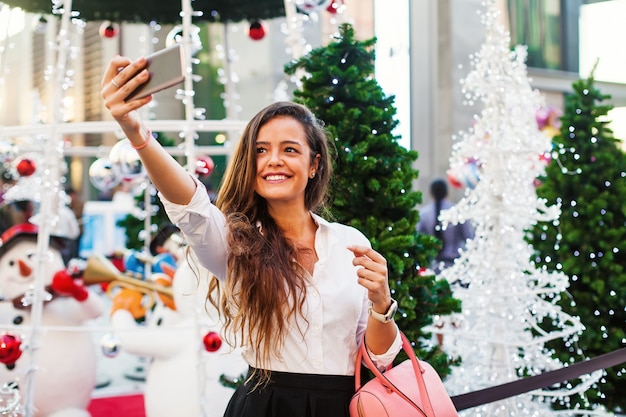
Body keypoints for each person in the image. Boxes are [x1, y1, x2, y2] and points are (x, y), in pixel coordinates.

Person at [101, 55, 402, 417]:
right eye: (261, 150)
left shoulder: (349, 242)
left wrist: (381, 303)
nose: (273, 160)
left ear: (314, 164)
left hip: (340, 406)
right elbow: (190, 205)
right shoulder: (235, 242)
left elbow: (374, 358)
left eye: (289, 149)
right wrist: (135, 132)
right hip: (266, 405)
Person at [417, 178, 474, 274]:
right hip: (455, 268)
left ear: (431, 193)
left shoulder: (423, 214)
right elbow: (469, 238)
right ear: (447, 193)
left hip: (432, 267)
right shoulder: (458, 212)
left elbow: (418, 240)